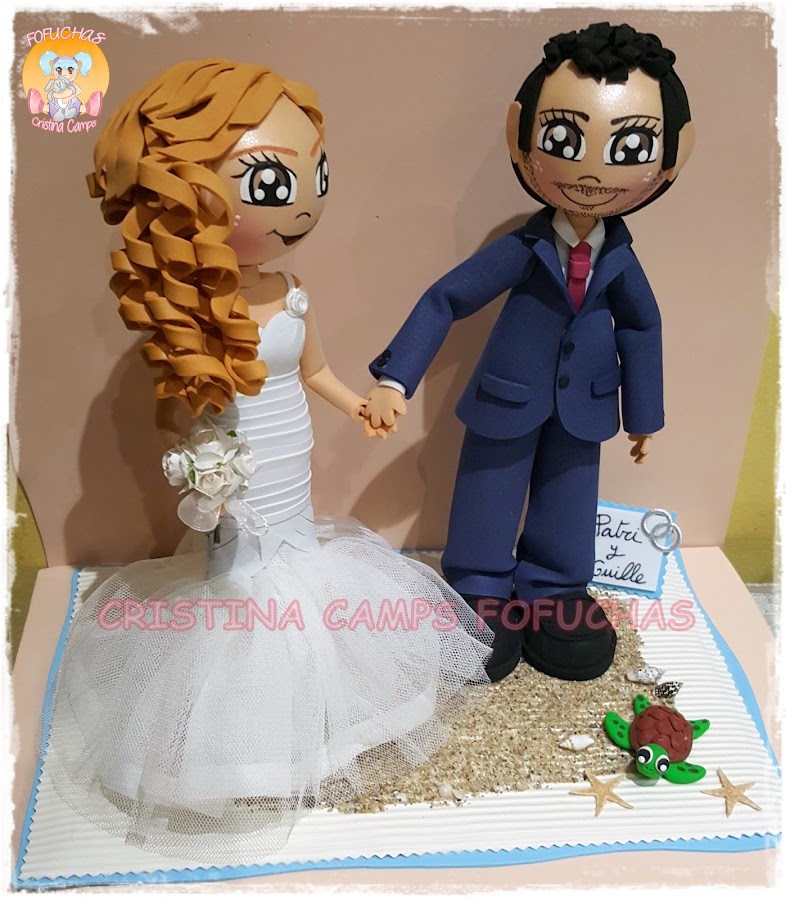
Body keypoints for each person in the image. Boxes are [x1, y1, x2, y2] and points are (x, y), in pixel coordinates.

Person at [45, 59, 491, 866]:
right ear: (183, 197)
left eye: (316, 179)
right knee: (240, 584)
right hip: (235, 471)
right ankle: (238, 750)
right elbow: (188, 407)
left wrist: (359, 403)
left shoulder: (290, 290)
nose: (305, 207)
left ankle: (311, 722)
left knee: (299, 559)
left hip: (293, 454)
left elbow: (313, 370)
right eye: (275, 185)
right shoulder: (188, 310)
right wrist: (201, 469)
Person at [363, 22, 694, 683]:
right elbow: (446, 299)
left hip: (588, 405)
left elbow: (642, 328)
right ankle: (479, 584)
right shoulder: (522, 248)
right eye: (565, 141)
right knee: (488, 492)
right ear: (522, 136)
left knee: (570, 497)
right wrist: (395, 379)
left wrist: (644, 416)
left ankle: (555, 587)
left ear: (672, 157)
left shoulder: (620, 260)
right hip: (505, 398)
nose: (592, 171)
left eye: (629, 147)